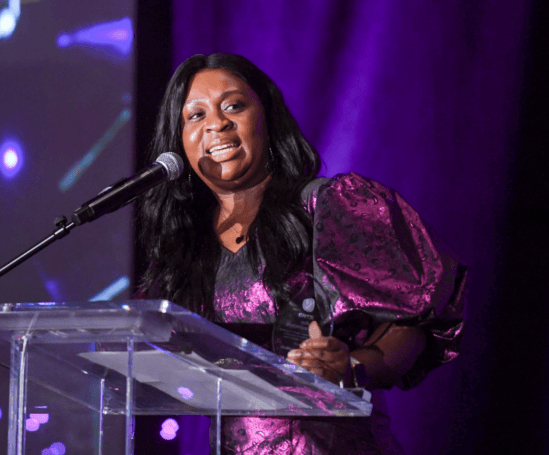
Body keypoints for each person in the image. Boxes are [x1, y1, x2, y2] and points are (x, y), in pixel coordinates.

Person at [137, 53, 467, 454]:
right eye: (195, 115)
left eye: (233, 106)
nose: (217, 124)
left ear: (267, 117)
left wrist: (354, 368)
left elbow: (412, 322)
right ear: (179, 141)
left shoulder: (328, 206)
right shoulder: (184, 249)